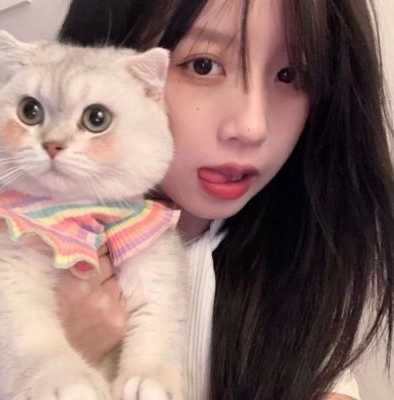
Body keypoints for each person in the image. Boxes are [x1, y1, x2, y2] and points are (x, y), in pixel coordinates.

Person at [55, 0, 394, 399]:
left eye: (290, 75)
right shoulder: (21, 252)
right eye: (202, 65)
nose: (252, 127)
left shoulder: (295, 258)